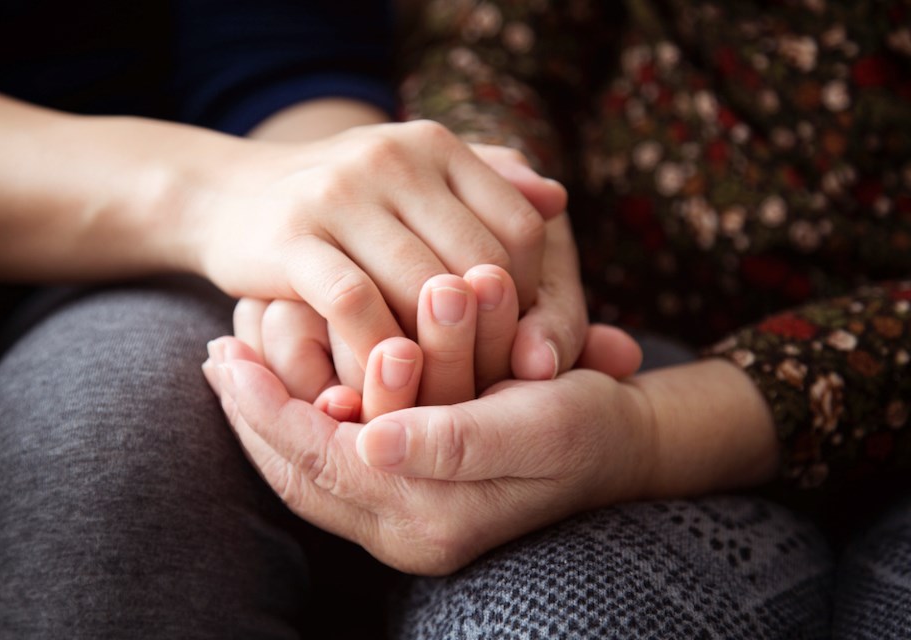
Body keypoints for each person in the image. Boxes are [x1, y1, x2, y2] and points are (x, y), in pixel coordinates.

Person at [204, 0, 911, 637]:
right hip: (608, 340)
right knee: (547, 616)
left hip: (720, 393)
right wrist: (494, 218)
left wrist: (655, 431)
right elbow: (497, 50)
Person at [0, 1, 649, 637]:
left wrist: (349, 252)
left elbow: (283, 57)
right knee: (93, 436)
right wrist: (214, 196)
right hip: (105, 225)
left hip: (216, 227)